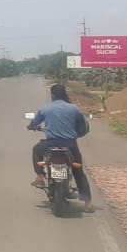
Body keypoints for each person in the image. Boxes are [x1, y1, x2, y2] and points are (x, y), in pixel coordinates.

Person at [28, 83, 94, 212]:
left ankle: (40, 177)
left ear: (52, 95)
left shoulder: (45, 109)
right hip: (70, 145)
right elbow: (82, 126)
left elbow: (34, 123)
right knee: (78, 172)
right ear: (64, 94)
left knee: (36, 149)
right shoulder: (74, 109)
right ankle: (88, 203)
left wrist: (31, 126)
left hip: (51, 144)